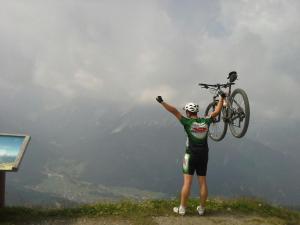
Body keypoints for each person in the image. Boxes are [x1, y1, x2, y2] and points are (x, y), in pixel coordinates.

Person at [155, 91, 225, 216]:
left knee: (187, 183)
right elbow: (217, 111)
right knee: (203, 182)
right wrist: (222, 98)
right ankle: (202, 209)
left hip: (190, 155)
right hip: (204, 155)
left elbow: (174, 111)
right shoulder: (206, 121)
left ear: (188, 112)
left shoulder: (187, 122)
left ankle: (182, 208)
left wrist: (162, 102)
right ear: (197, 112)